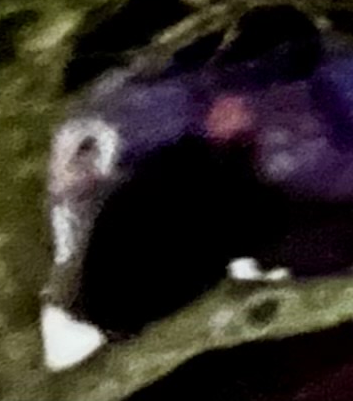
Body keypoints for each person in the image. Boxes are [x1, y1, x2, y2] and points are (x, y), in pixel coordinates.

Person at [76, 93, 287, 394]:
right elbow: (260, 225)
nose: (229, 117)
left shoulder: (172, 167)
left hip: (133, 305)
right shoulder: (193, 173)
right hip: (153, 301)